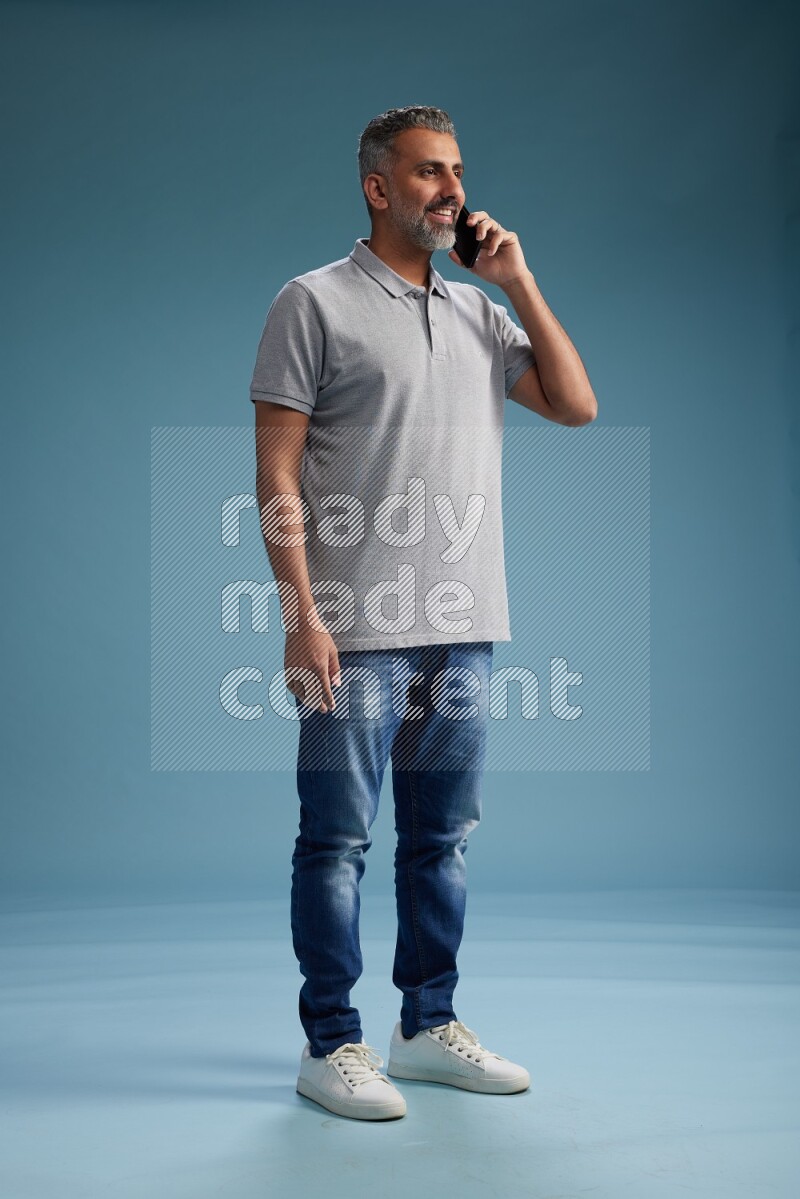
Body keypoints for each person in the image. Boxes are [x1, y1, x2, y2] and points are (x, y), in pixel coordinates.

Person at [250, 105, 597, 1121]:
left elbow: (574, 404)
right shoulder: (308, 303)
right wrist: (296, 615)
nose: (450, 188)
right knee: (337, 843)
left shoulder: (479, 314)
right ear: (377, 185)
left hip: (462, 618)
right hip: (351, 625)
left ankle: (423, 1024)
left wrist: (517, 281)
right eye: (429, 172)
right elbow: (274, 471)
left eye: (455, 172)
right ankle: (332, 1043)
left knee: (438, 841)